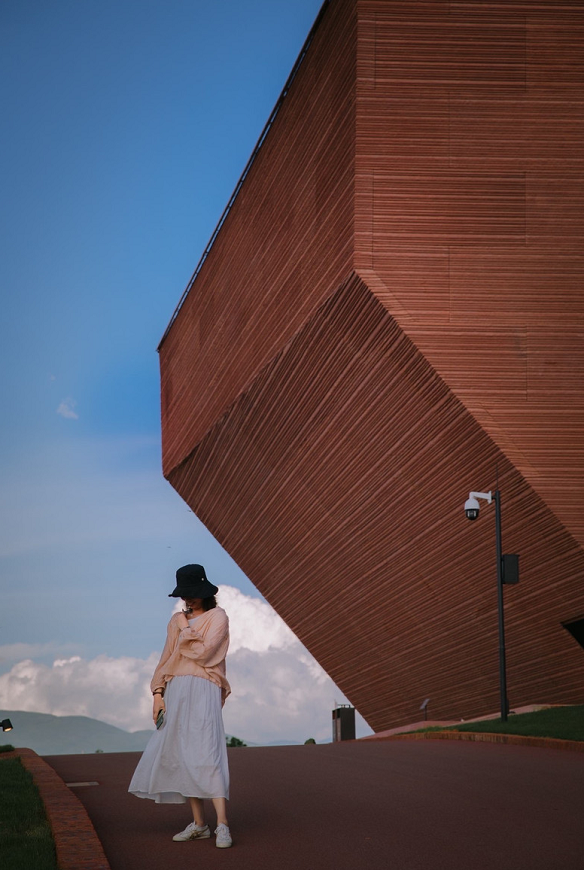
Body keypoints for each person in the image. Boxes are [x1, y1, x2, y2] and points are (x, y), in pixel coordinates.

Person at [128, 564, 232, 848]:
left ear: (204, 591)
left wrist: (185, 626)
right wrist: (158, 693)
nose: (188, 600)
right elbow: (167, 658)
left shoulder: (217, 617)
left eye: (192, 594)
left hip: (205, 687)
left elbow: (204, 653)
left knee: (208, 751)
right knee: (184, 753)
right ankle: (200, 824)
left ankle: (222, 824)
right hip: (176, 689)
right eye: (184, 595)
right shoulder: (176, 621)